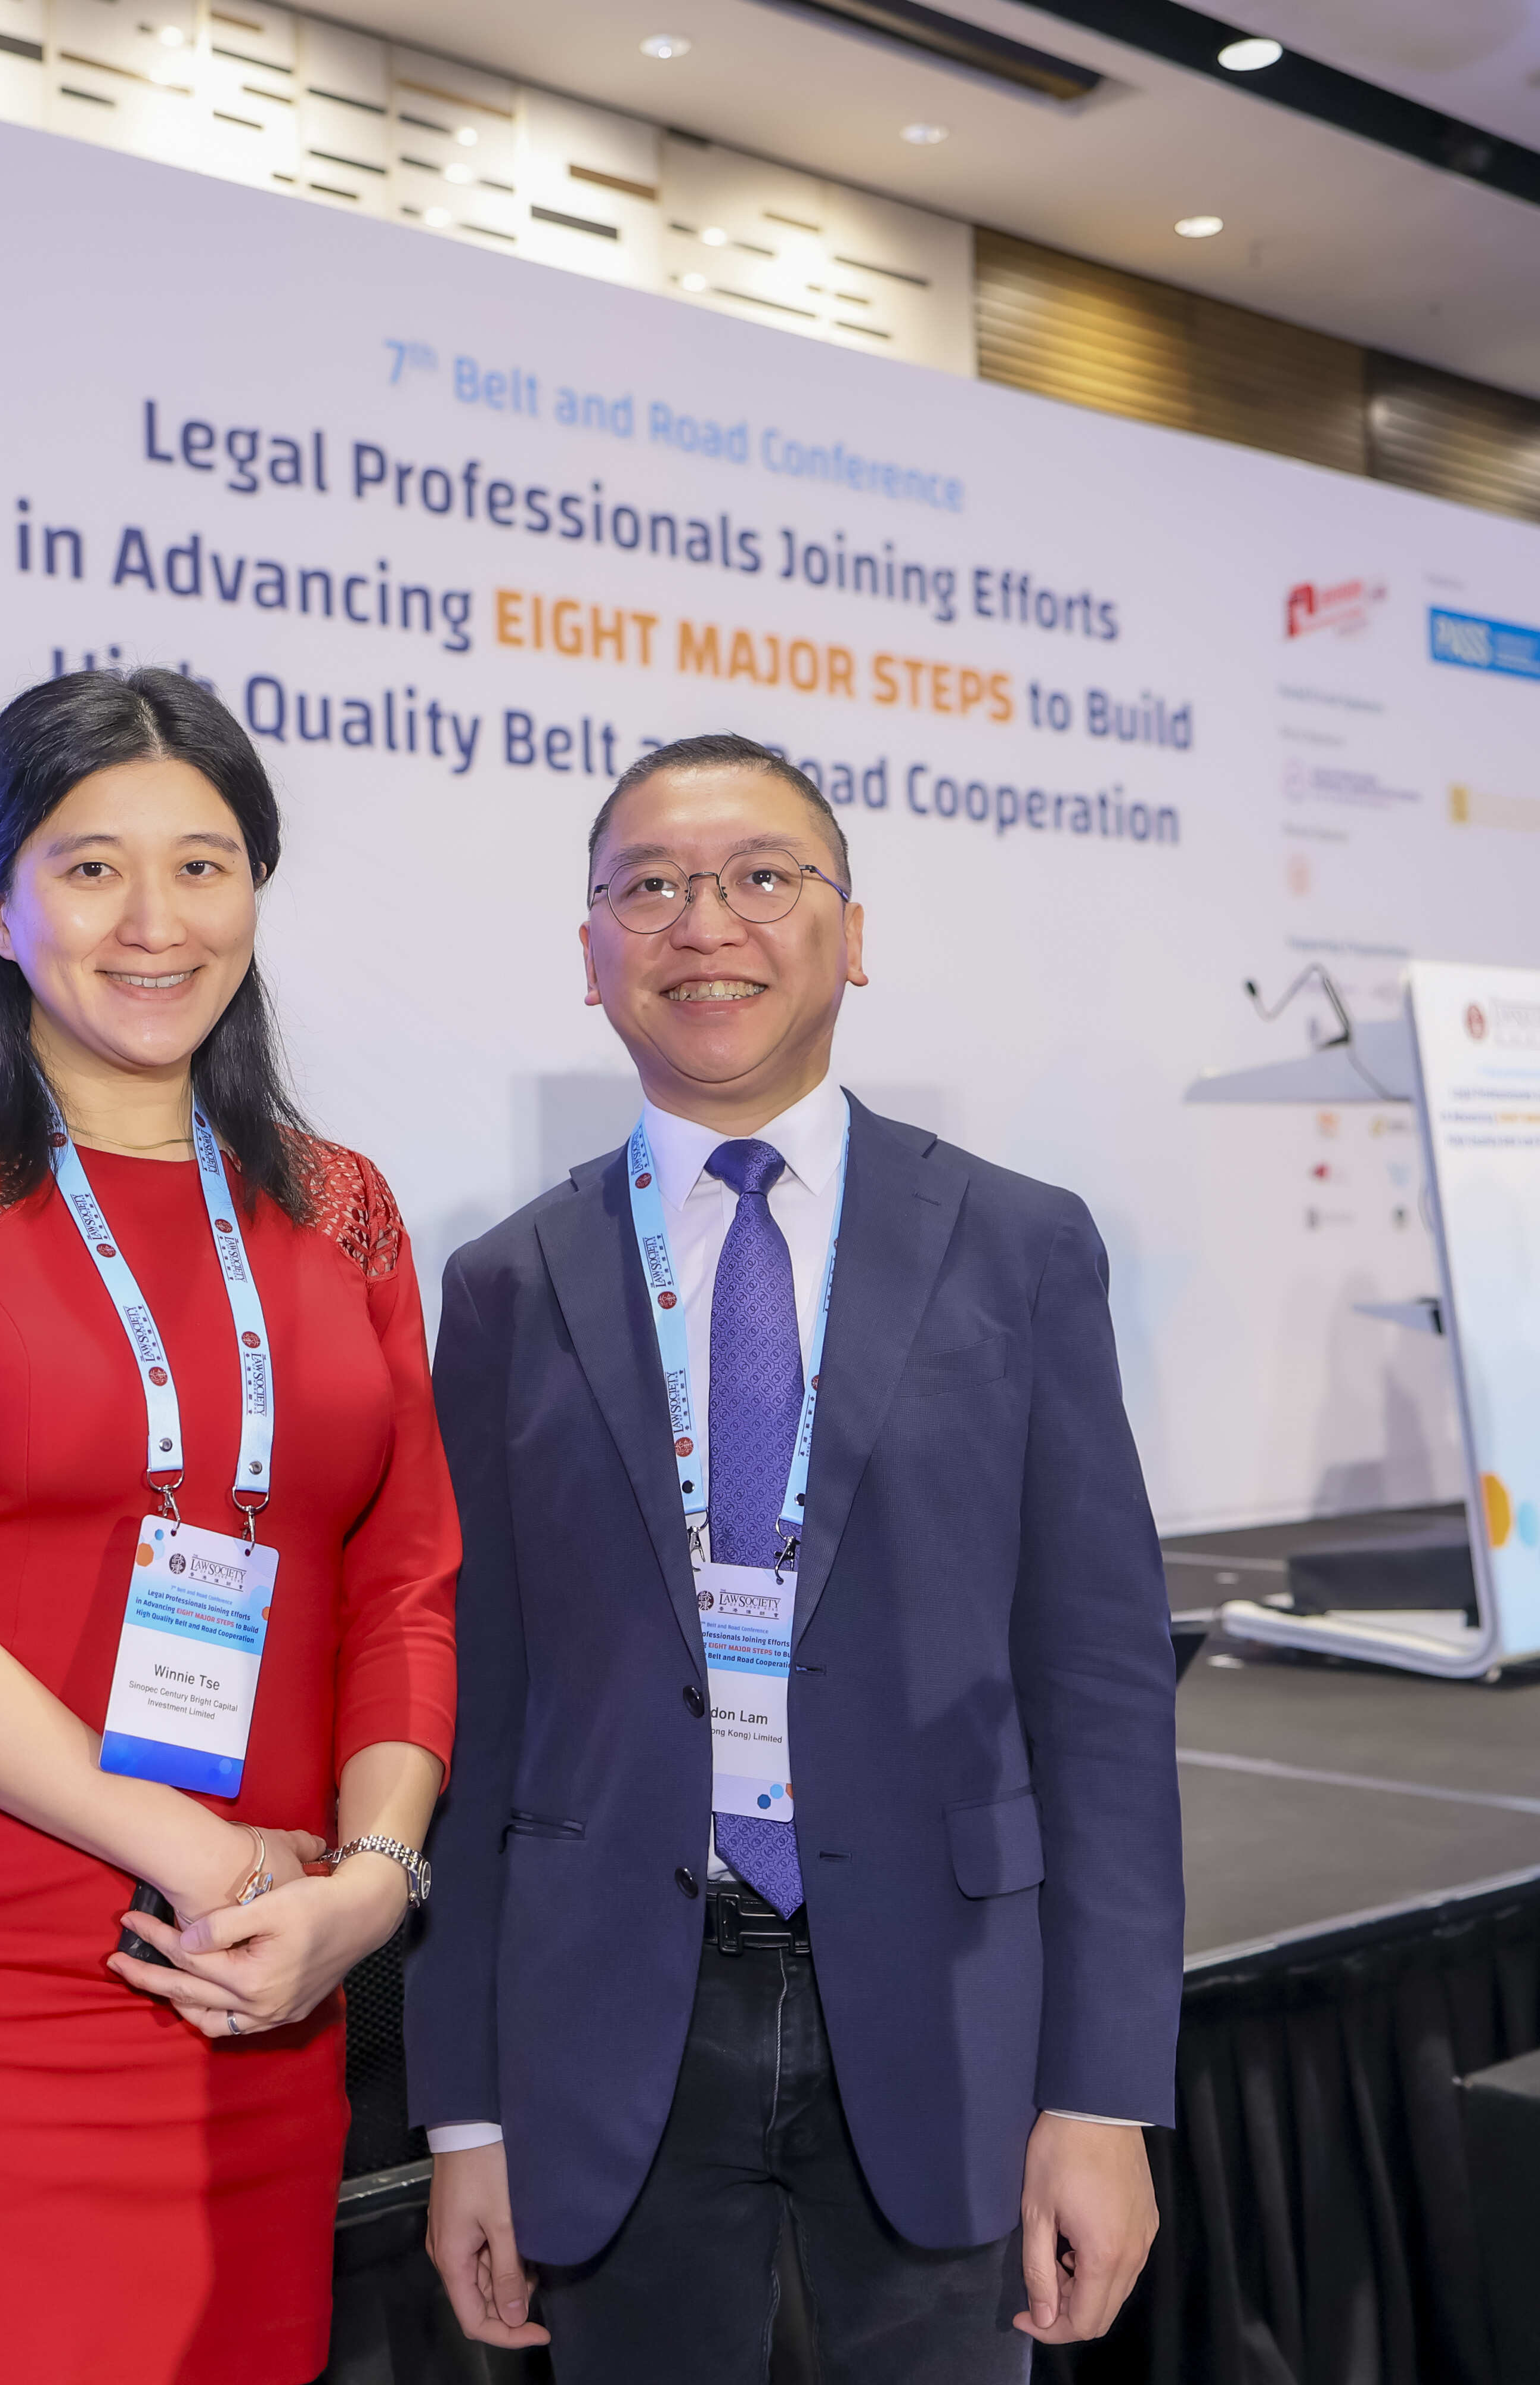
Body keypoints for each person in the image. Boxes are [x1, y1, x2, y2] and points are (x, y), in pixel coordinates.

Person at [406, 734, 1184, 2381]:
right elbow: (480, 1712)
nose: (707, 925)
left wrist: (1106, 2089)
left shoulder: (1019, 1246)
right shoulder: (506, 1285)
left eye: (762, 877)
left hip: (951, 2020)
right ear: (592, 952)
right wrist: (466, 2113)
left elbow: (1102, 1690)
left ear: (852, 930)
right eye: (651, 888)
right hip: (614, 2029)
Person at [0, 669, 458, 2384]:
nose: (156, 922)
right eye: (90, 868)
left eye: (203, 866)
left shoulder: (340, 1203)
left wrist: (369, 1890)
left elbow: (406, 1582)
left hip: (259, 1984)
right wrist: (206, 1856)